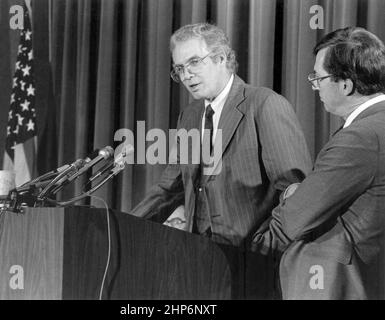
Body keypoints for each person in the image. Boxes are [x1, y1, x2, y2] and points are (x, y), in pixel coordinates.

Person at [130, 23, 312, 298]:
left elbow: (295, 192)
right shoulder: (190, 116)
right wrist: (122, 226)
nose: (186, 74)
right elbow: (170, 187)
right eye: (179, 68)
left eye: (193, 62)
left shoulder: (263, 104)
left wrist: (264, 246)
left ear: (222, 58)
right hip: (200, 266)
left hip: (256, 268)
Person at [252, 27, 385, 299]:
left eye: (318, 78)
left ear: (345, 85)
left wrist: (246, 257)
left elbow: (295, 219)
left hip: (338, 283)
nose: (315, 86)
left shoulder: (360, 138)